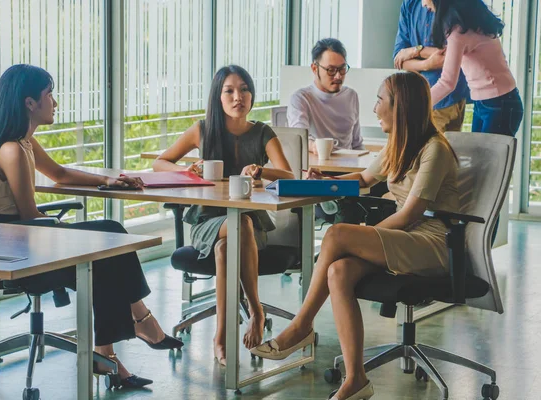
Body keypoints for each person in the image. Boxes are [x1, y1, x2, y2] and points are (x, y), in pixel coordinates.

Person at [0, 64, 183, 389]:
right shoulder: (11, 150)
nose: (54, 102)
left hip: (24, 240)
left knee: (110, 233)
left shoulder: (23, 142)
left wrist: (110, 180)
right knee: (105, 246)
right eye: (49, 94)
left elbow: (61, 174)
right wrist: (66, 232)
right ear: (29, 103)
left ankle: (115, 345)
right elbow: (29, 216)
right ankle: (127, 334)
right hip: (14, 252)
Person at [251, 71, 460, 400]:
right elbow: (363, 179)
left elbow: (410, 215)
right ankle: (356, 379)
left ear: (400, 107)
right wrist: (321, 182)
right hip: (405, 237)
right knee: (338, 271)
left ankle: (301, 326)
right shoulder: (398, 145)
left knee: (336, 235)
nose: (375, 109)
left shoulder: (435, 150)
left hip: (432, 243)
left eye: (380, 101)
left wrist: (364, 240)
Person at [153, 65, 294, 366]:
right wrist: (187, 171)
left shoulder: (262, 133)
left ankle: (222, 334)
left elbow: (287, 173)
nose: (238, 96)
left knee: (231, 239)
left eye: (244, 89)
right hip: (207, 224)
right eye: (229, 90)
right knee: (233, 226)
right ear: (217, 96)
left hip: (250, 226)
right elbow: (160, 163)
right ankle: (256, 311)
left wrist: (260, 170)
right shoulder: (202, 130)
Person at [428, 0, 523, 136]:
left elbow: (447, 83)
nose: (423, 4)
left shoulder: (459, 33)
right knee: (481, 157)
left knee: (487, 157)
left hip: (498, 105)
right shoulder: (472, 23)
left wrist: (420, 105)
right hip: (492, 102)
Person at [393, 0, 470, 132]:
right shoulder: (409, 4)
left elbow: (451, 54)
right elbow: (399, 59)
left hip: (453, 95)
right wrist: (427, 64)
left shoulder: (453, 5)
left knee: (446, 151)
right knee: (430, 151)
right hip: (425, 98)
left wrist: (415, 50)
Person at [287, 38, 364, 153]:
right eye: (331, 70)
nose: (338, 76)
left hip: (349, 167)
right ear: (314, 68)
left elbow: (357, 144)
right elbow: (299, 138)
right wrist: (314, 147)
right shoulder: (301, 98)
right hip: (317, 167)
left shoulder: (351, 96)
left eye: (342, 69)